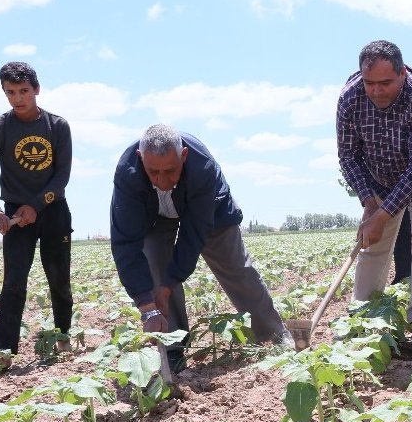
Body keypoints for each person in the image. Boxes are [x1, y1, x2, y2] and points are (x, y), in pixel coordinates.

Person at [110, 124, 291, 373]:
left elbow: (193, 234)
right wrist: (146, 305)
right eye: (153, 172)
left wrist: (169, 284)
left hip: (209, 212)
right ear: (141, 159)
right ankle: (173, 349)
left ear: (184, 156)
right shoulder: (128, 172)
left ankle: (273, 337)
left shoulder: (201, 166)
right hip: (154, 217)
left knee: (237, 269)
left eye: (170, 171)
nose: (162, 181)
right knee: (153, 261)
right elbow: (125, 243)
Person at [337, 40, 412, 348]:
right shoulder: (350, 98)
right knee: (371, 241)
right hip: (379, 168)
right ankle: (363, 317)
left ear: (403, 74)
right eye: (370, 83)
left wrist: (385, 213)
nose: (376, 91)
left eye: (385, 83)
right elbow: (348, 155)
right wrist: (369, 202)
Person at [0, 61, 74, 371]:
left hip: (53, 211)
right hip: (14, 216)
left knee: (59, 278)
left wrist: (37, 205)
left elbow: (62, 176)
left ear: (36, 90)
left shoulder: (57, 126)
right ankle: (4, 351)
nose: (18, 98)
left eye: (24, 91)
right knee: (14, 281)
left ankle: (63, 337)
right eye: (10, 92)